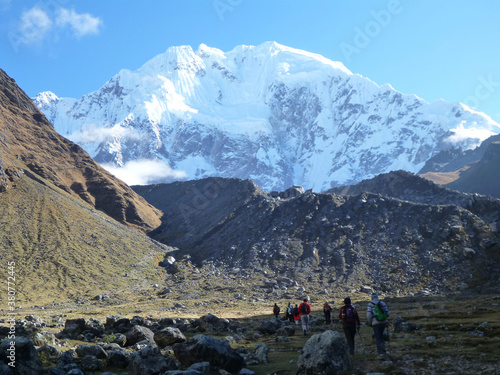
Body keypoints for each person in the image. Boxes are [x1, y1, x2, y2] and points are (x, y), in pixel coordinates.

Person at [366, 292, 390, 358]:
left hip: (375, 323)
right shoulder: (382, 303)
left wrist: (370, 322)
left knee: (378, 338)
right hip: (383, 323)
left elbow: (369, 315)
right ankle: (384, 351)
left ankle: (380, 353)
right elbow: (388, 313)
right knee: (381, 336)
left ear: (371, 297)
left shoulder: (370, 304)